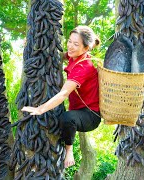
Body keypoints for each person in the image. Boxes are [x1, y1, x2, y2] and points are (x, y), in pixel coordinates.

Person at [21, 25, 101, 168]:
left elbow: (64, 93)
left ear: (86, 48)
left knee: (67, 118)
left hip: (91, 115)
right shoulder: (73, 56)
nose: (70, 46)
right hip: (77, 110)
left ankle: (69, 149)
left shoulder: (83, 67)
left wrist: (40, 109)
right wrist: (31, 45)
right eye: (69, 41)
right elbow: (56, 55)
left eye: (76, 44)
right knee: (65, 117)